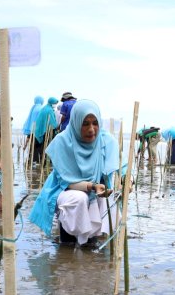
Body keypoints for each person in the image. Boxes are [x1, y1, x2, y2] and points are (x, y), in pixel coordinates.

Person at [29, 100, 120, 246]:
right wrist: (92, 186)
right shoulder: (62, 141)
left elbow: (122, 167)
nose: (91, 129)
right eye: (85, 124)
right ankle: (69, 240)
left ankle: (91, 238)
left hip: (95, 190)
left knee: (108, 200)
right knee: (79, 199)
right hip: (66, 190)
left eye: (95, 123)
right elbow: (66, 182)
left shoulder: (106, 141)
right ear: (76, 122)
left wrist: (128, 179)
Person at [33, 97, 59, 163]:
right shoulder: (49, 110)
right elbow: (52, 122)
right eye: (55, 103)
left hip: (40, 129)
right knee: (47, 146)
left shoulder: (44, 108)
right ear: (52, 103)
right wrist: (56, 126)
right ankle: (45, 161)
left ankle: (40, 160)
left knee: (41, 146)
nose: (55, 105)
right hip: (47, 131)